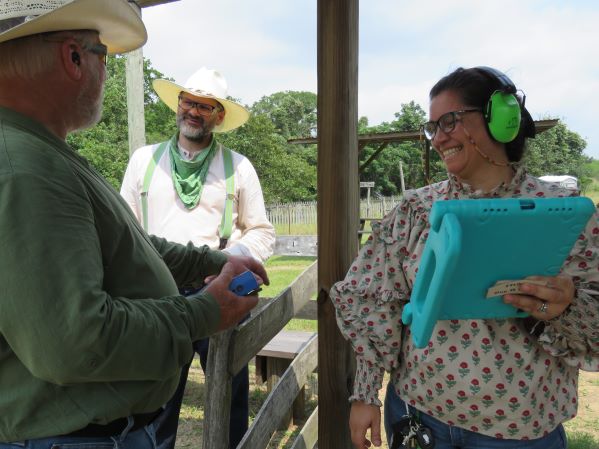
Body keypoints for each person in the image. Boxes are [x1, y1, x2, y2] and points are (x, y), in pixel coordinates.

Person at [0, 1, 268, 447]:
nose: (104, 72)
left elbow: (131, 245)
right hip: (72, 438)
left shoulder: (40, 153)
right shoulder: (27, 169)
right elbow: (75, 342)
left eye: (206, 106)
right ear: (73, 57)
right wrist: (204, 312)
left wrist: (211, 261)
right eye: (102, 55)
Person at [331, 66, 599, 449]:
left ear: (501, 118)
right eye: (433, 127)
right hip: (418, 415)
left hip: (519, 429)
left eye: (450, 121)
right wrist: (365, 394)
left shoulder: (564, 215)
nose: (439, 138)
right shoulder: (417, 211)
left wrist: (566, 307)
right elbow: (376, 301)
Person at [120, 67, 275, 448]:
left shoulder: (239, 167)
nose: (193, 111)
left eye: (205, 106)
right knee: (155, 397)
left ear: (219, 117)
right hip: (158, 295)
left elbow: (261, 232)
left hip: (221, 292)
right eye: (188, 102)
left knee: (228, 394)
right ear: (178, 104)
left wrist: (228, 262)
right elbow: (125, 230)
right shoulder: (143, 161)